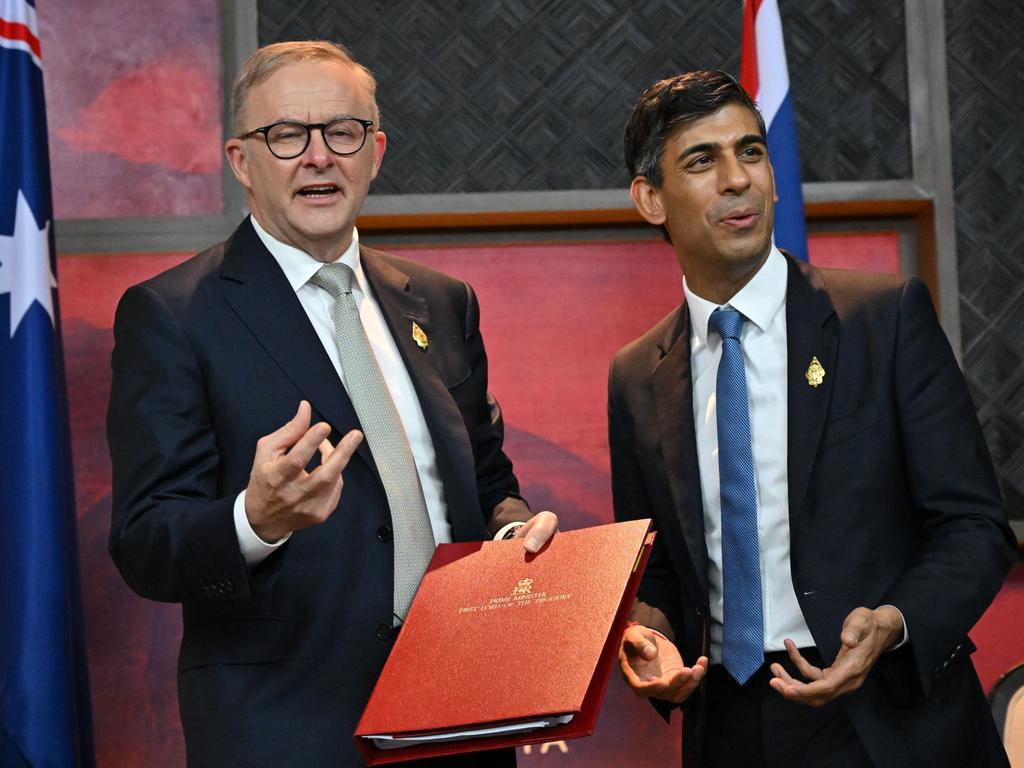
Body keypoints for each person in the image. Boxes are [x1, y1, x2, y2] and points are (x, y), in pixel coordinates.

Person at [107, 40, 556, 767]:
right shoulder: (174, 315)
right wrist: (255, 521)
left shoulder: (441, 303)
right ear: (240, 161)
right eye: (285, 135)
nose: (317, 156)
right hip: (288, 732)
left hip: (463, 719)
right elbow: (144, 541)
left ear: (374, 151)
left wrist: (511, 535)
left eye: (341, 131)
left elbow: (485, 481)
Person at [611, 70, 1014, 767]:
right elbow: (658, 578)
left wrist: (893, 623)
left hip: (888, 721)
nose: (737, 179)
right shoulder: (636, 374)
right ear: (651, 198)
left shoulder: (883, 321)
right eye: (702, 161)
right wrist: (651, 638)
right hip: (728, 725)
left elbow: (974, 526)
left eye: (751, 152)